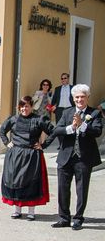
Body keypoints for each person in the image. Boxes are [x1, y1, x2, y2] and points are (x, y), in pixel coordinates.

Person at [44, 84, 102, 230]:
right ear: (73, 98)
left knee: (81, 190)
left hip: (83, 157)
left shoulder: (94, 113)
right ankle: (64, 218)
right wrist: (71, 128)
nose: (79, 99)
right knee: (63, 188)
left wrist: (82, 125)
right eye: (77, 97)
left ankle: (78, 218)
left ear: (87, 97)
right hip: (66, 156)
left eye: (82, 96)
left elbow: (97, 131)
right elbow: (57, 129)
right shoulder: (67, 112)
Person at [0, 96, 54, 220]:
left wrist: (43, 145)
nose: (24, 108)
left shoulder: (39, 119)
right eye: (22, 106)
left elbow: (53, 131)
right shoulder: (13, 119)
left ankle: (31, 211)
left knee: (31, 182)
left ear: (31, 107)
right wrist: (7, 142)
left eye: (27, 106)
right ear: (19, 107)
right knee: (15, 181)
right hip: (15, 155)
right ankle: (17, 210)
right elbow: (2, 130)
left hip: (32, 155)